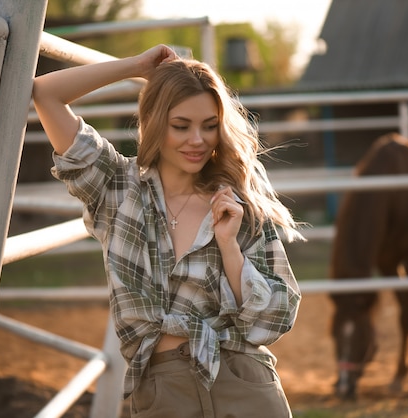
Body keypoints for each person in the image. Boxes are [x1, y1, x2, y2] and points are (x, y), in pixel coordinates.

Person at [32, 44, 303, 418]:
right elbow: (46, 93)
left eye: (209, 126)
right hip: (161, 391)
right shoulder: (115, 186)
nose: (198, 140)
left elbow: (275, 317)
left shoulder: (237, 204)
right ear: (155, 122)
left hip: (242, 383)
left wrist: (229, 247)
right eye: (181, 126)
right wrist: (137, 66)